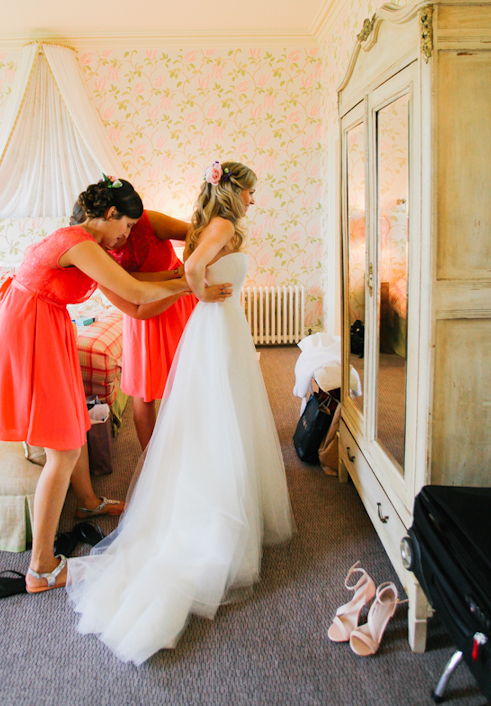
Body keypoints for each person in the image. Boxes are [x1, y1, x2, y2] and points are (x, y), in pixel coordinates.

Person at [66, 160, 295, 664]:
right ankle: (171, 465)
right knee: (165, 393)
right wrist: (197, 285)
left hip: (194, 313)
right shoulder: (102, 251)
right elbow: (176, 277)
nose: (254, 200)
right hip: (154, 310)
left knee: (210, 398)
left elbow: (192, 242)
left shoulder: (165, 222)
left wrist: (197, 277)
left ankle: (194, 462)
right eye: (251, 192)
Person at [0, 176, 232, 596]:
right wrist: (190, 284)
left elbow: (135, 302)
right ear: (111, 214)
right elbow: (134, 291)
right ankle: (41, 568)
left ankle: (86, 501)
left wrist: (186, 284)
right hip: (31, 328)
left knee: (72, 420)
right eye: (128, 226)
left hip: (50, 323)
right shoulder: (77, 243)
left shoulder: (93, 249)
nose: (129, 236)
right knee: (61, 445)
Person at [70, 199, 197, 450]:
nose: (125, 234)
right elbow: (126, 283)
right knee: (143, 389)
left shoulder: (149, 221)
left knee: (188, 378)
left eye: (130, 226)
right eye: (125, 227)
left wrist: (188, 268)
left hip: (178, 300)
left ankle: (190, 449)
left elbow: (193, 231)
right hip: (142, 312)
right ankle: (149, 458)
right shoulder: (94, 249)